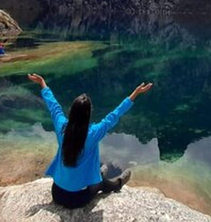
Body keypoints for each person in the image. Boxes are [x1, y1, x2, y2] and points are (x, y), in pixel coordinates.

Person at [27, 73, 153, 209]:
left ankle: (102, 173)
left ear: (72, 111)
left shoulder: (61, 127)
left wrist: (42, 83)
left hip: (57, 194)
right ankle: (119, 183)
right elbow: (114, 115)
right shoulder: (93, 133)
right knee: (101, 183)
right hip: (77, 199)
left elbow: (54, 107)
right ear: (89, 114)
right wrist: (135, 94)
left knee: (97, 176)